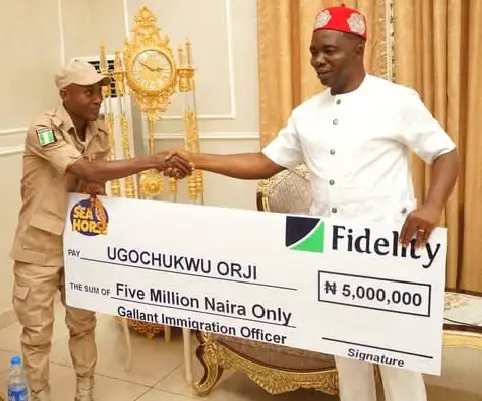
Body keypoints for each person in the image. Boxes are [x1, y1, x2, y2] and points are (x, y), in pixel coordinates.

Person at [164, 4, 460, 401]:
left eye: (329, 50)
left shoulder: (397, 100)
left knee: (398, 363)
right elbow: (265, 162)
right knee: (347, 358)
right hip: (329, 251)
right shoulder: (306, 114)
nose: (318, 60)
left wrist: (432, 205)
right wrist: (196, 159)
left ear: (358, 50)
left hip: (387, 250)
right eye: (313, 51)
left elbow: (446, 153)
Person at [9, 60, 192, 401]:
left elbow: (94, 180)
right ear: (65, 94)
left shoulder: (100, 131)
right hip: (38, 245)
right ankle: (38, 394)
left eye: (100, 91)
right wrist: (153, 160)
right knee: (37, 333)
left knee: (83, 323)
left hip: (80, 243)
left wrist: (98, 192)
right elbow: (86, 168)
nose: (98, 98)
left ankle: (85, 391)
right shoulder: (43, 128)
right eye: (88, 92)